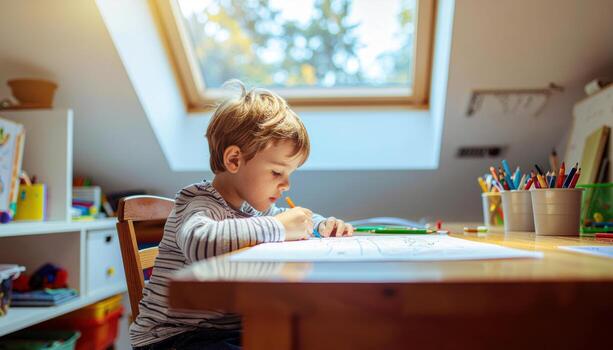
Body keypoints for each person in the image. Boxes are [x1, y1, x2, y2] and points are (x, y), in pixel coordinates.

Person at [131, 80, 354, 349]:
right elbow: (202, 243)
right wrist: (278, 227)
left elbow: (283, 216)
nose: (286, 186)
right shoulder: (198, 202)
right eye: (276, 172)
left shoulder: (250, 207)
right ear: (234, 160)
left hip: (223, 332)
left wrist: (320, 225)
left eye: (289, 175)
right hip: (174, 337)